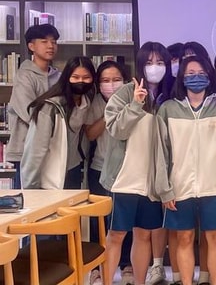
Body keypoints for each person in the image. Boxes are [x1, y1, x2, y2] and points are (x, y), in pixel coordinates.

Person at [155, 55, 216, 285]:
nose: (196, 77)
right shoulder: (168, 109)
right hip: (180, 186)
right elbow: (161, 152)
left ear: (209, 76)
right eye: (190, 73)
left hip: (213, 186)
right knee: (184, 237)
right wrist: (164, 189)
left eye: (201, 73)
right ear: (182, 77)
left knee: (215, 237)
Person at [102, 42, 173, 285]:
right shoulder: (125, 92)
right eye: (149, 62)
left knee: (143, 235)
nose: (155, 67)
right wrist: (135, 104)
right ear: (141, 65)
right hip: (124, 179)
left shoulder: (167, 98)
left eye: (160, 62)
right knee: (116, 236)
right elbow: (116, 129)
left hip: (151, 182)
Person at [83, 60, 129, 285]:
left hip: (126, 170)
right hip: (100, 169)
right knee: (98, 222)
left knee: (124, 220)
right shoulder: (95, 103)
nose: (111, 84)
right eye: (106, 80)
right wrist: (110, 113)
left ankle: (127, 264)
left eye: (116, 80)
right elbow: (90, 134)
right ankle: (96, 268)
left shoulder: (132, 101)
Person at [21, 56, 96, 189]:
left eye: (86, 77)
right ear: (67, 77)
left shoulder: (87, 101)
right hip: (51, 175)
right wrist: (30, 189)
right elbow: (35, 151)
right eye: (75, 77)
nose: (81, 81)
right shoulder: (49, 108)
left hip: (74, 169)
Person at [7, 24, 61, 189]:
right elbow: (29, 112)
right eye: (44, 41)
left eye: (54, 42)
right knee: (28, 198)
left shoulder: (59, 76)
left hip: (54, 148)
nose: (50, 46)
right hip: (27, 148)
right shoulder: (24, 76)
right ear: (31, 46)